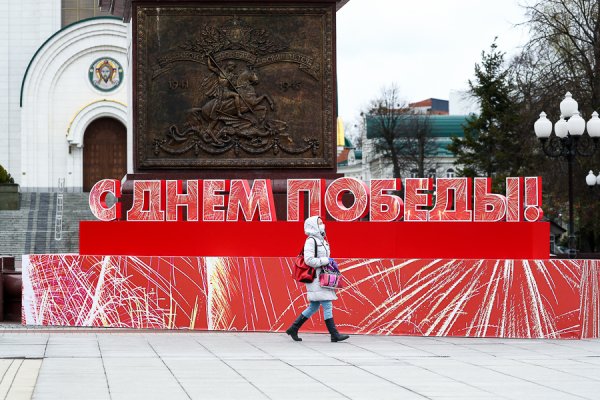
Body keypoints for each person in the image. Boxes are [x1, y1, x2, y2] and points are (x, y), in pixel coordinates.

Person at [285, 216, 349, 342]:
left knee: (314, 306)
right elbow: (308, 260)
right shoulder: (311, 241)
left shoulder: (322, 240)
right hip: (315, 278)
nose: (322, 225)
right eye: (319, 223)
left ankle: (294, 328)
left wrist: (328, 262)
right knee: (327, 304)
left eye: (322, 223)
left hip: (322, 276)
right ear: (313, 225)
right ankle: (334, 334)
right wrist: (326, 260)